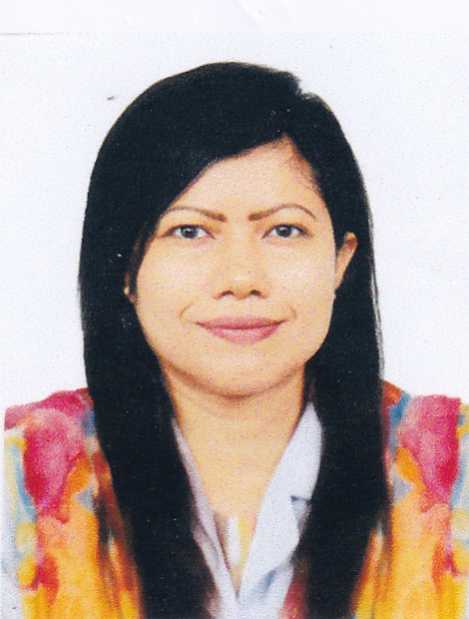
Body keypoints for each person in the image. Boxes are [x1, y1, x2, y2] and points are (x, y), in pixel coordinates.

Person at [3, 62, 468, 619]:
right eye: (191, 231)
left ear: (341, 261)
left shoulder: (453, 476)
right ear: (124, 269)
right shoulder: (21, 483)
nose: (242, 278)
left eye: (284, 230)